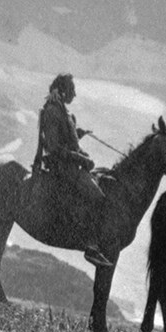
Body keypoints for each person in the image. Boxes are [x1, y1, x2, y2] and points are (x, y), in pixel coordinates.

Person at [33, 73, 112, 268]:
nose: (75, 94)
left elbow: (63, 139)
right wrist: (81, 159)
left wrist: (77, 134)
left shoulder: (61, 111)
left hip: (70, 165)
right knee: (98, 197)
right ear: (64, 90)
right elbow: (53, 147)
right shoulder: (52, 111)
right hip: (62, 168)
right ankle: (91, 247)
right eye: (73, 90)